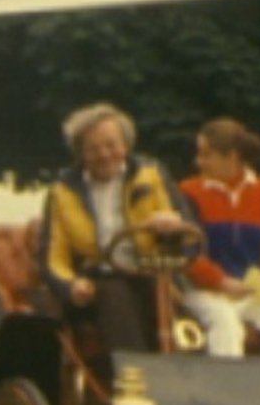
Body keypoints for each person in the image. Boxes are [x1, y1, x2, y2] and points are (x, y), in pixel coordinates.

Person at [39, 102, 190, 356]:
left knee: (179, 310)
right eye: (93, 149)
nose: (104, 155)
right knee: (115, 295)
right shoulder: (62, 193)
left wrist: (173, 226)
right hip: (98, 281)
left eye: (111, 145)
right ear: (81, 154)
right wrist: (71, 286)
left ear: (126, 146)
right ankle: (135, 381)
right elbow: (53, 259)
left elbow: (190, 233)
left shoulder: (152, 174)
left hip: (153, 274)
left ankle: (191, 385)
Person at [180, 118, 260, 358]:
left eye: (206, 155)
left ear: (232, 157)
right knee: (226, 323)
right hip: (203, 292)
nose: (198, 162)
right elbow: (187, 253)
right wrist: (221, 282)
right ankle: (227, 394)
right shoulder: (188, 193)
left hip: (250, 289)